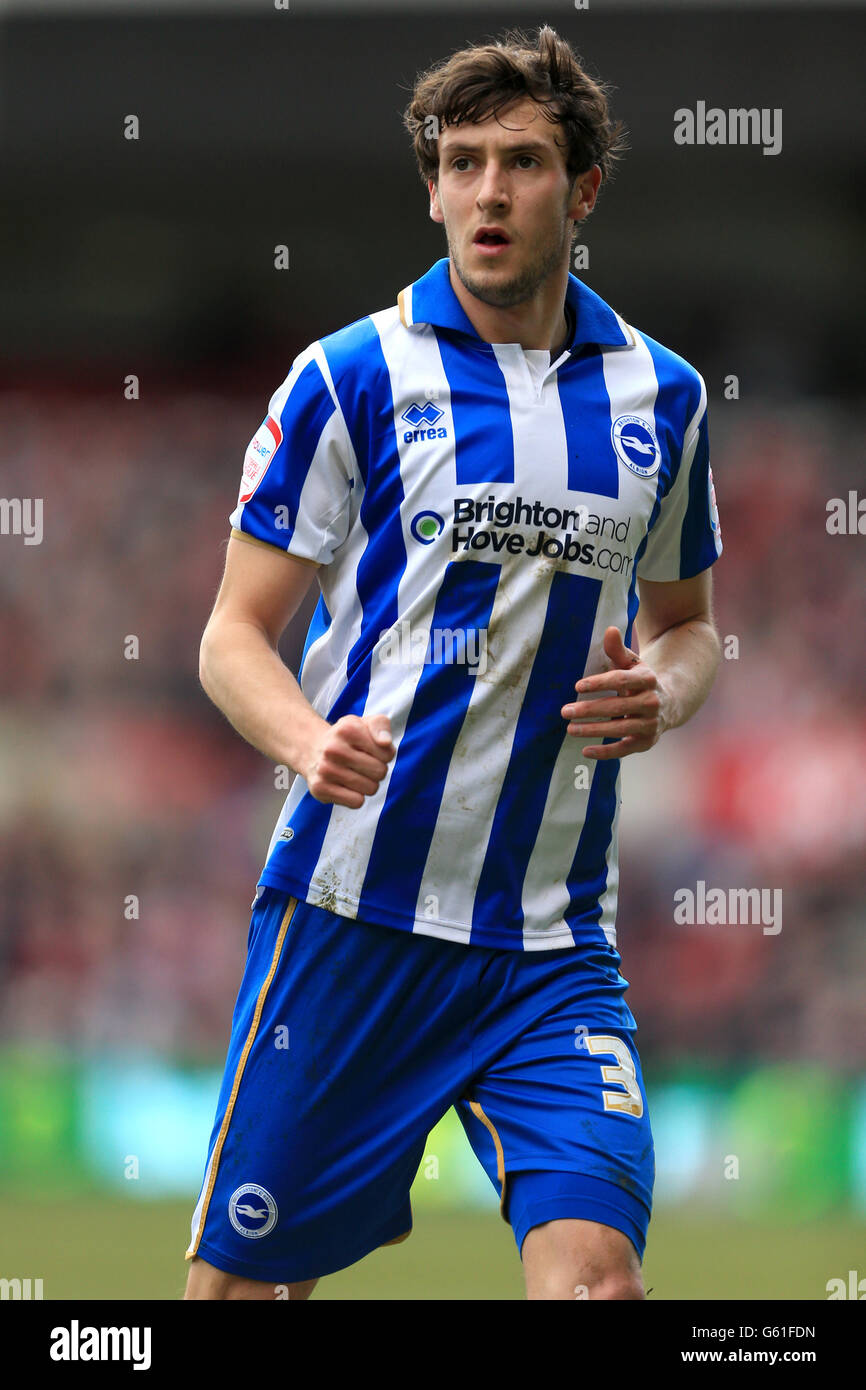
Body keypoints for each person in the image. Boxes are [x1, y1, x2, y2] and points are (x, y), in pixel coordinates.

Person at [184, 24, 723, 1301]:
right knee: (237, 1298)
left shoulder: (665, 398)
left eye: (522, 161)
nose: (487, 190)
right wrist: (304, 741)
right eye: (462, 160)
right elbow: (229, 636)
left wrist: (668, 691)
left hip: (548, 948)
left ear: (580, 189)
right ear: (430, 185)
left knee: (593, 1282)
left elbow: (686, 622)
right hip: (353, 923)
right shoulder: (349, 375)